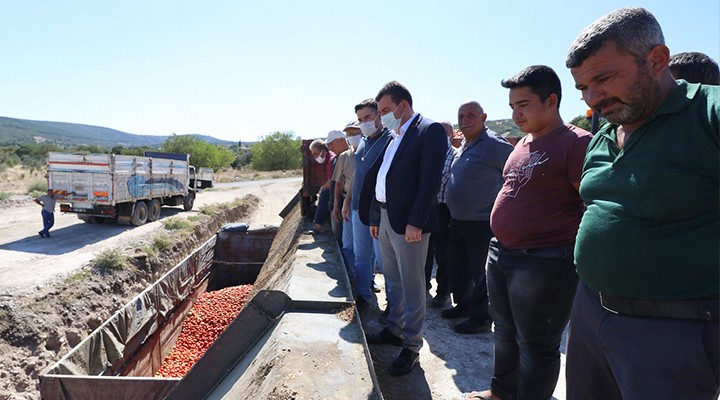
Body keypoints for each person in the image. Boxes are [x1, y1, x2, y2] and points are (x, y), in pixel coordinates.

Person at [566, 7, 719, 400]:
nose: (592, 97)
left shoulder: (708, 113)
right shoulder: (605, 132)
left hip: (672, 332)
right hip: (588, 313)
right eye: (583, 87)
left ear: (656, 60)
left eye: (603, 78)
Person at [464, 65, 592, 400]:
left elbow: (590, 204)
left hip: (544, 260)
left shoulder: (575, 143)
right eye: (511, 107)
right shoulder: (521, 143)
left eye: (523, 104)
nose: (516, 113)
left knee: (536, 344)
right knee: (504, 332)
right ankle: (502, 392)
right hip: (502, 253)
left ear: (551, 101)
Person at [362, 81, 447, 376]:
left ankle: (411, 346)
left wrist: (416, 221)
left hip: (409, 223)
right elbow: (381, 179)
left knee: (412, 285)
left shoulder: (428, 130)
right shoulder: (395, 135)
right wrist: (375, 217)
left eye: (385, 110)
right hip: (386, 219)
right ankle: (395, 329)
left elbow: (430, 182)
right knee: (392, 279)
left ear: (403, 106)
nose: (380, 116)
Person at [441, 101, 513, 335]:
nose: (465, 119)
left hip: (483, 222)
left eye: (471, 115)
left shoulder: (493, 144)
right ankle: (464, 305)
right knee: (457, 266)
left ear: (483, 117)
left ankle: (481, 317)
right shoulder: (464, 144)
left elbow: (513, 174)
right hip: (459, 220)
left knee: (480, 272)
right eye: (461, 115)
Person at [342, 99, 393, 313]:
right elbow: (357, 175)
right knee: (361, 258)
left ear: (379, 116)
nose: (364, 123)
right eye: (360, 119)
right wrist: (346, 201)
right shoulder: (363, 142)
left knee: (385, 263)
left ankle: (393, 308)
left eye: (368, 118)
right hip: (357, 210)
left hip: (379, 213)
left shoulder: (390, 141)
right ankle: (364, 297)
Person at [425, 121, 456, 309]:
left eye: (445, 131)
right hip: (429, 207)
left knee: (443, 253)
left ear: (451, 134)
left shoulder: (455, 155)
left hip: (445, 209)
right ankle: (424, 283)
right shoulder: (430, 154)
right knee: (425, 250)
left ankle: (443, 291)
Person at [327, 130, 355, 282]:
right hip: (343, 202)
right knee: (344, 242)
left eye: (332, 143)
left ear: (341, 140)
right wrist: (335, 205)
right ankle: (348, 274)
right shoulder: (337, 159)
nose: (330, 147)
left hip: (356, 204)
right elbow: (336, 184)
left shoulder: (360, 154)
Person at [308, 139, 335, 233]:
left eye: (315, 154)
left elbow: (331, 180)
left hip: (340, 187)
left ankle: (318, 225)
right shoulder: (326, 160)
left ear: (323, 152)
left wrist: (322, 189)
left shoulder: (331, 159)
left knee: (324, 194)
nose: (315, 157)